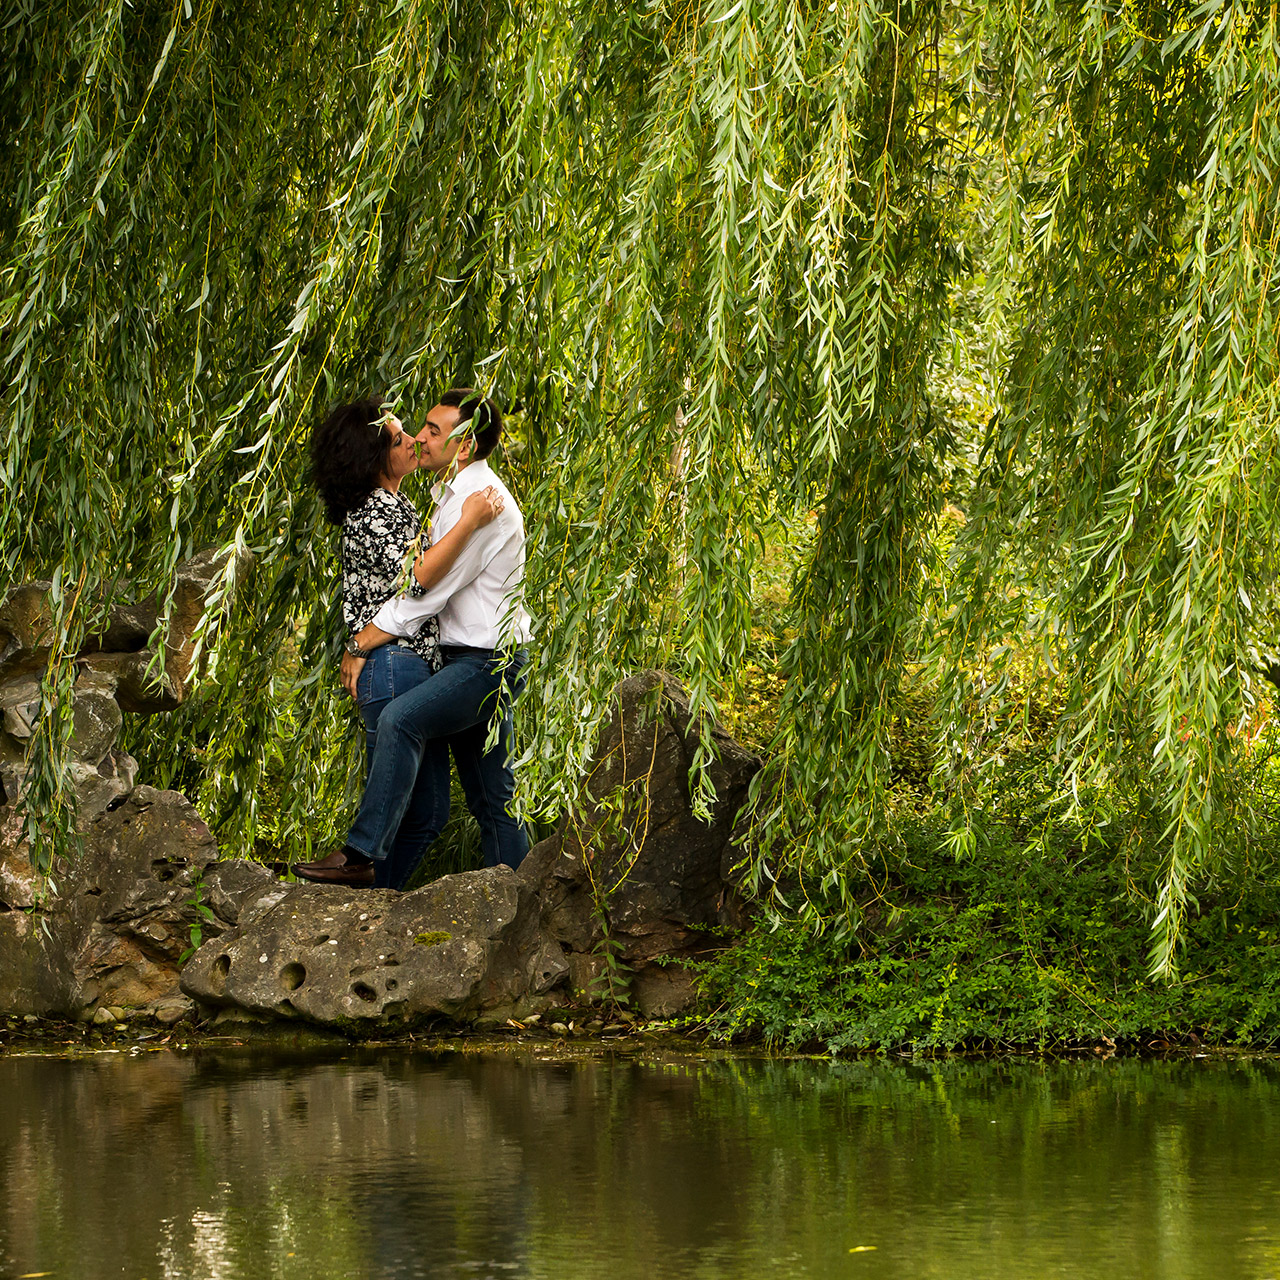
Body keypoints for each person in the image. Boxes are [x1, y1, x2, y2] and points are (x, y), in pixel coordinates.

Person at [295, 388, 532, 889]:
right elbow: (418, 581)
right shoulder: (443, 500)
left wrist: (360, 642)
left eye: (430, 430)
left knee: (404, 723)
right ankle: (522, 902)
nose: (420, 438)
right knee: (493, 797)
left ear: (464, 446)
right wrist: (361, 642)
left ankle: (361, 853)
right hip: (455, 659)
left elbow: (425, 589)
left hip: (483, 659)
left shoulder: (478, 504)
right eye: (414, 430)